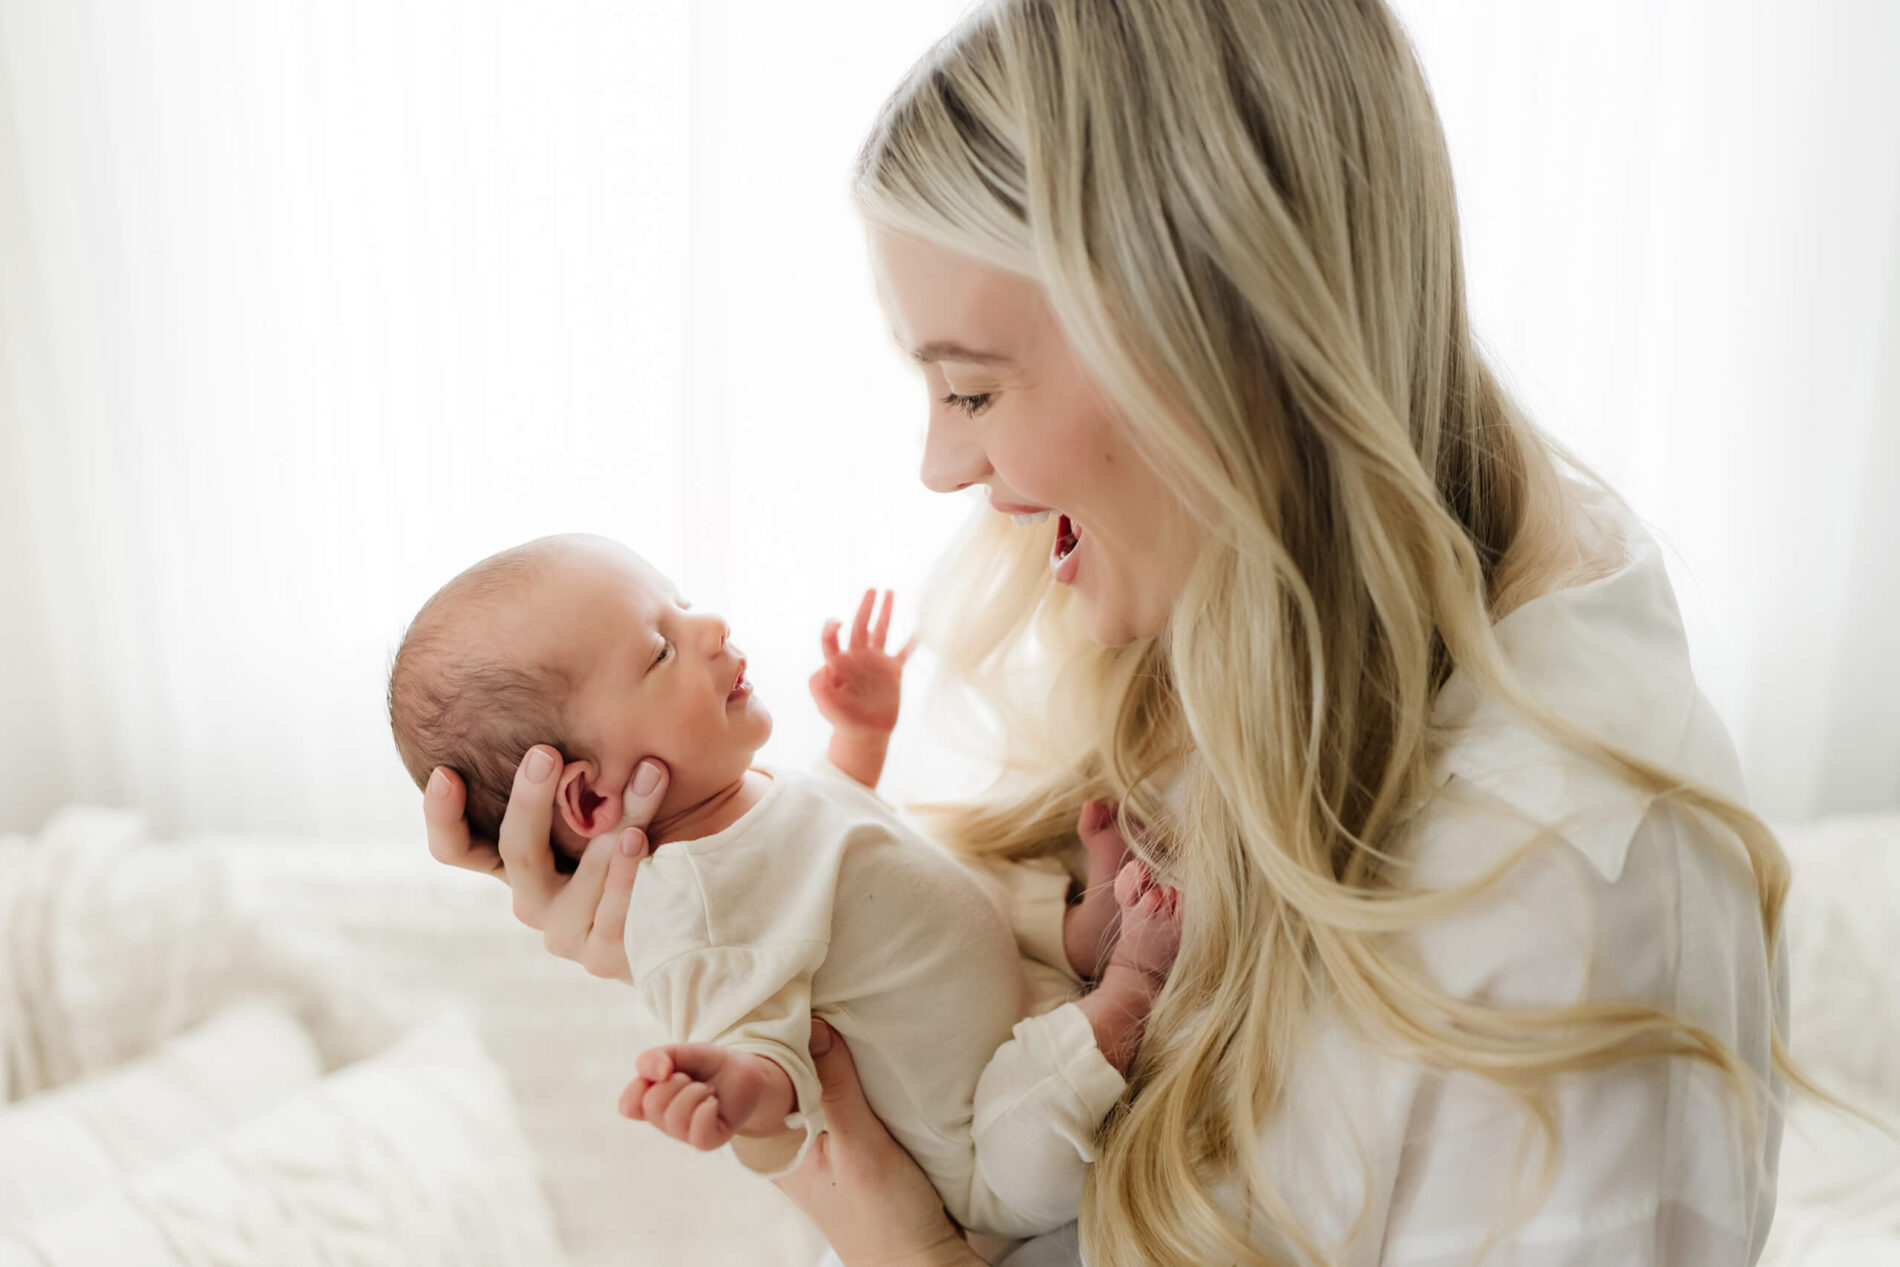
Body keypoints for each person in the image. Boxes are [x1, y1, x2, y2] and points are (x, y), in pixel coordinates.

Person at [424, 0, 1800, 1262]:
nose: (939, 470)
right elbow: (910, 952)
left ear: (1218, 346)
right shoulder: (1246, 643)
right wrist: (678, 918)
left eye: (970, 392)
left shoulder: (1572, 892)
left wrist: (889, 1231)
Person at [389, 534, 1182, 1239]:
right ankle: (1129, 982)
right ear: (593, 798)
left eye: (685, 604)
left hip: (1014, 998)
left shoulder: (745, 789)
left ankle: (1085, 929)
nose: (711, 627)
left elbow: (841, 832)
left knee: (949, 877)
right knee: (1034, 1144)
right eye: (660, 649)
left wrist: (861, 735)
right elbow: (767, 1052)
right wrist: (739, 1087)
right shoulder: (682, 911)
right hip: (986, 1138)